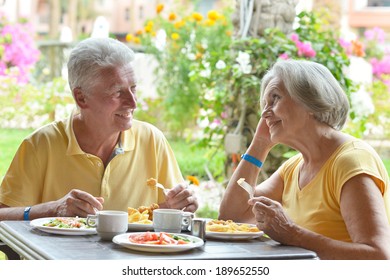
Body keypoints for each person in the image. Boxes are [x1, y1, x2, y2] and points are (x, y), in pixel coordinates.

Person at [0, 37, 198, 221]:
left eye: (133, 88)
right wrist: (52, 209)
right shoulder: (41, 144)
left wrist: (179, 206)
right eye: (117, 92)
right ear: (81, 98)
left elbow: (168, 213)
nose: (133, 102)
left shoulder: (152, 140)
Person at [219, 59, 390, 260]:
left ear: (310, 100)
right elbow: (234, 216)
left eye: (275, 98)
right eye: (265, 104)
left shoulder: (351, 162)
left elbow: (379, 256)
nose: (265, 113)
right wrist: (259, 145)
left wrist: (294, 235)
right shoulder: (293, 168)